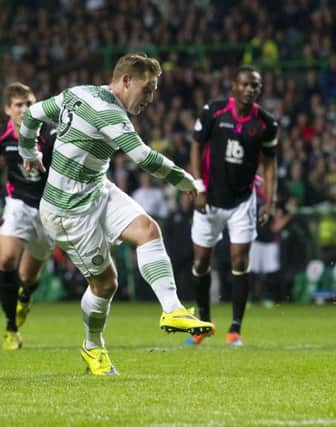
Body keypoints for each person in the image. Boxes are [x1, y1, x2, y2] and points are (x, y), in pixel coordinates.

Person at [18, 53, 215, 375]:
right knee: (106, 284)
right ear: (126, 80)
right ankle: (92, 346)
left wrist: (30, 152)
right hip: (67, 212)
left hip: (97, 189)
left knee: (148, 230)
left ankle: (173, 310)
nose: (151, 98)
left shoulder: (77, 93)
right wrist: (186, 181)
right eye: (147, 89)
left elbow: (33, 114)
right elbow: (143, 157)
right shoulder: (108, 112)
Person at [186, 65, 278, 347]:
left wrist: (269, 201)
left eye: (256, 85)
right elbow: (196, 146)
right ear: (235, 87)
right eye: (246, 84)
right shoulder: (214, 111)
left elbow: (270, 163)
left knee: (240, 260)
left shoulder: (266, 123)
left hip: (242, 201)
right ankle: (203, 323)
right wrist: (197, 186)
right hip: (210, 199)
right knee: (201, 261)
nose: (251, 89)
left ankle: (235, 329)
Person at [0, 82, 55, 350]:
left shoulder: (50, 133)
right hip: (18, 204)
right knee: (5, 259)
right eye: (19, 105)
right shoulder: (3, 136)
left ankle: (25, 298)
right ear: (8, 109)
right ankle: (11, 328)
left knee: (28, 278)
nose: (25, 109)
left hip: (47, 209)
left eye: (29, 103)